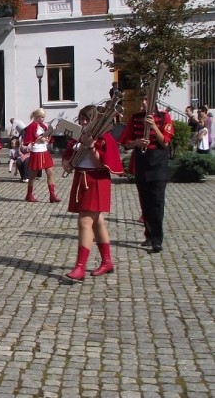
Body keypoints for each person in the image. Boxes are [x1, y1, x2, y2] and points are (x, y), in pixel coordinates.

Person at [61, 105, 124, 281]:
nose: (84, 122)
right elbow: (68, 158)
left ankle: (80, 267)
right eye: (82, 118)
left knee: (84, 222)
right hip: (81, 178)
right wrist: (66, 163)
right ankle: (107, 261)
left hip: (96, 180)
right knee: (98, 223)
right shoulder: (78, 136)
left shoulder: (103, 137)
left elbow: (101, 164)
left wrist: (91, 147)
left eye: (87, 119)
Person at [119, 95, 173, 253]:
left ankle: (157, 239)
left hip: (158, 164)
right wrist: (137, 142)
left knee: (157, 202)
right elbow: (126, 142)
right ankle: (149, 235)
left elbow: (165, 142)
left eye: (146, 100)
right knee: (145, 201)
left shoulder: (164, 117)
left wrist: (154, 127)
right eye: (141, 99)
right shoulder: (135, 118)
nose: (143, 103)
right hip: (142, 163)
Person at [23, 108, 61, 203]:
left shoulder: (43, 125)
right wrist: (39, 139)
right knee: (33, 175)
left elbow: (47, 139)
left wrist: (52, 132)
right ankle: (29, 194)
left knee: (50, 172)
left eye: (44, 117)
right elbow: (27, 141)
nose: (43, 119)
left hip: (44, 150)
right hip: (36, 151)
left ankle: (52, 195)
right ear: (37, 117)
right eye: (42, 117)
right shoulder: (32, 126)